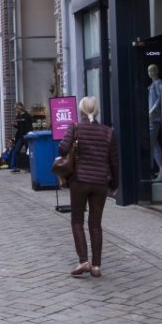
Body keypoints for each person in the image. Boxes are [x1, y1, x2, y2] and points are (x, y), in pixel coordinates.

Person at [57, 96, 118, 278]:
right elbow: (114, 161)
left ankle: (84, 260)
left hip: (79, 182)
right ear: (96, 111)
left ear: (82, 111)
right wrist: (115, 184)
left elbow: (62, 149)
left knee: (77, 220)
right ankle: (97, 266)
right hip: (100, 183)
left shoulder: (75, 128)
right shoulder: (108, 132)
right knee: (95, 224)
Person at [147, 63, 162, 179]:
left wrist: (152, 111)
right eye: (149, 71)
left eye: (153, 70)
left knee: (152, 143)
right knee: (154, 144)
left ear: (157, 71)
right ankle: (161, 169)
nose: (151, 73)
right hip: (152, 118)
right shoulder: (153, 84)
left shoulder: (158, 83)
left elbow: (160, 99)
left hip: (155, 118)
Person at [9, 102, 32, 173]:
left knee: (28, 152)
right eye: (15, 108)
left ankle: (30, 168)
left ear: (20, 107)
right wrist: (14, 125)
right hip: (20, 136)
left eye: (16, 108)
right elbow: (19, 127)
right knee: (16, 150)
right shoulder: (18, 116)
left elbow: (29, 127)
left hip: (27, 136)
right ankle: (16, 167)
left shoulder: (27, 116)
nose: (15, 110)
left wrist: (28, 135)